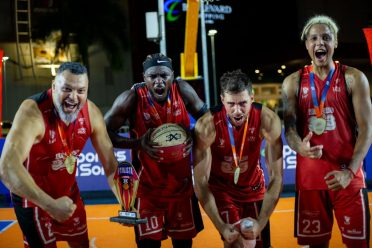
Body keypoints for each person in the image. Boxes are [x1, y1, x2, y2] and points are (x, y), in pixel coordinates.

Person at [0, 62, 119, 248]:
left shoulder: (91, 113)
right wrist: (49, 205)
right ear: (54, 86)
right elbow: (7, 167)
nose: (73, 97)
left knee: (81, 244)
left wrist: (127, 205)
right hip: (33, 199)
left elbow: (111, 165)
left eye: (81, 90)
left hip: (68, 194)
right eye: (67, 89)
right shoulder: (33, 112)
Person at [282, 15, 371, 248]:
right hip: (310, 181)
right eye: (314, 38)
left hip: (347, 179)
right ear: (307, 45)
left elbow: (367, 129)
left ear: (336, 43)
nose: (320, 43)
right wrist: (299, 146)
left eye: (326, 38)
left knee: (357, 245)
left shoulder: (353, 78)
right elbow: (289, 128)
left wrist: (349, 173)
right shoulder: (293, 82)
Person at [104, 53, 207, 248]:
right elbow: (103, 132)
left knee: (183, 245)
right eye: (153, 77)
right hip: (147, 192)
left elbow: (208, 120)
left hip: (181, 189)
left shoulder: (183, 89)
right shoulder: (131, 98)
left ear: (172, 75)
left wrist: (194, 133)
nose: (159, 81)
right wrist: (137, 143)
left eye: (164, 76)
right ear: (144, 78)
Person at [193, 69, 283, 248]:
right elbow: (201, 182)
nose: (237, 110)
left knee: (261, 245)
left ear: (252, 97)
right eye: (231, 104)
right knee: (237, 244)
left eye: (242, 103)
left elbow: (277, 177)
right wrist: (222, 226)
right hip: (222, 191)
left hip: (254, 188)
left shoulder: (268, 120)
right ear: (222, 100)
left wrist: (262, 221)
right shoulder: (207, 126)